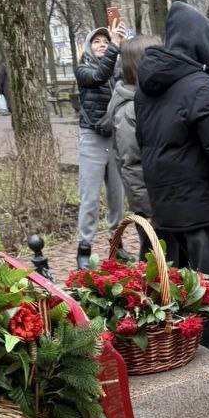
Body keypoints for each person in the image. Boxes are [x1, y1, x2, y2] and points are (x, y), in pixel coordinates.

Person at [136, 2, 209, 357]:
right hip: (200, 206)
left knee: (173, 283)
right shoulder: (200, 86)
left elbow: (144, 142)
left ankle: (179, 347)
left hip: (164, 204)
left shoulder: (145, 86)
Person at [75, 19, 127, 270]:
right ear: (88, 46)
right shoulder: (83, 70)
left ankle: (116, 245)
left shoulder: (116, 69)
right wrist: (115, 48)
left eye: (106, 41)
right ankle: (84, 248)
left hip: (114, 139)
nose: (102, 45)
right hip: (92, 140)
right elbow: (99, 76)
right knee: (90, 198)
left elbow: (130, 75)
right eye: (97, 41)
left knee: (117, 197)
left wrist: (123, 46)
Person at [103, 34, 159, 253]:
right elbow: (132, 164)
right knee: (154, 257)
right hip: (150, 208)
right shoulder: (129, 109)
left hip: (158, 201)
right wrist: (149, 211)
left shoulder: (143, 99)